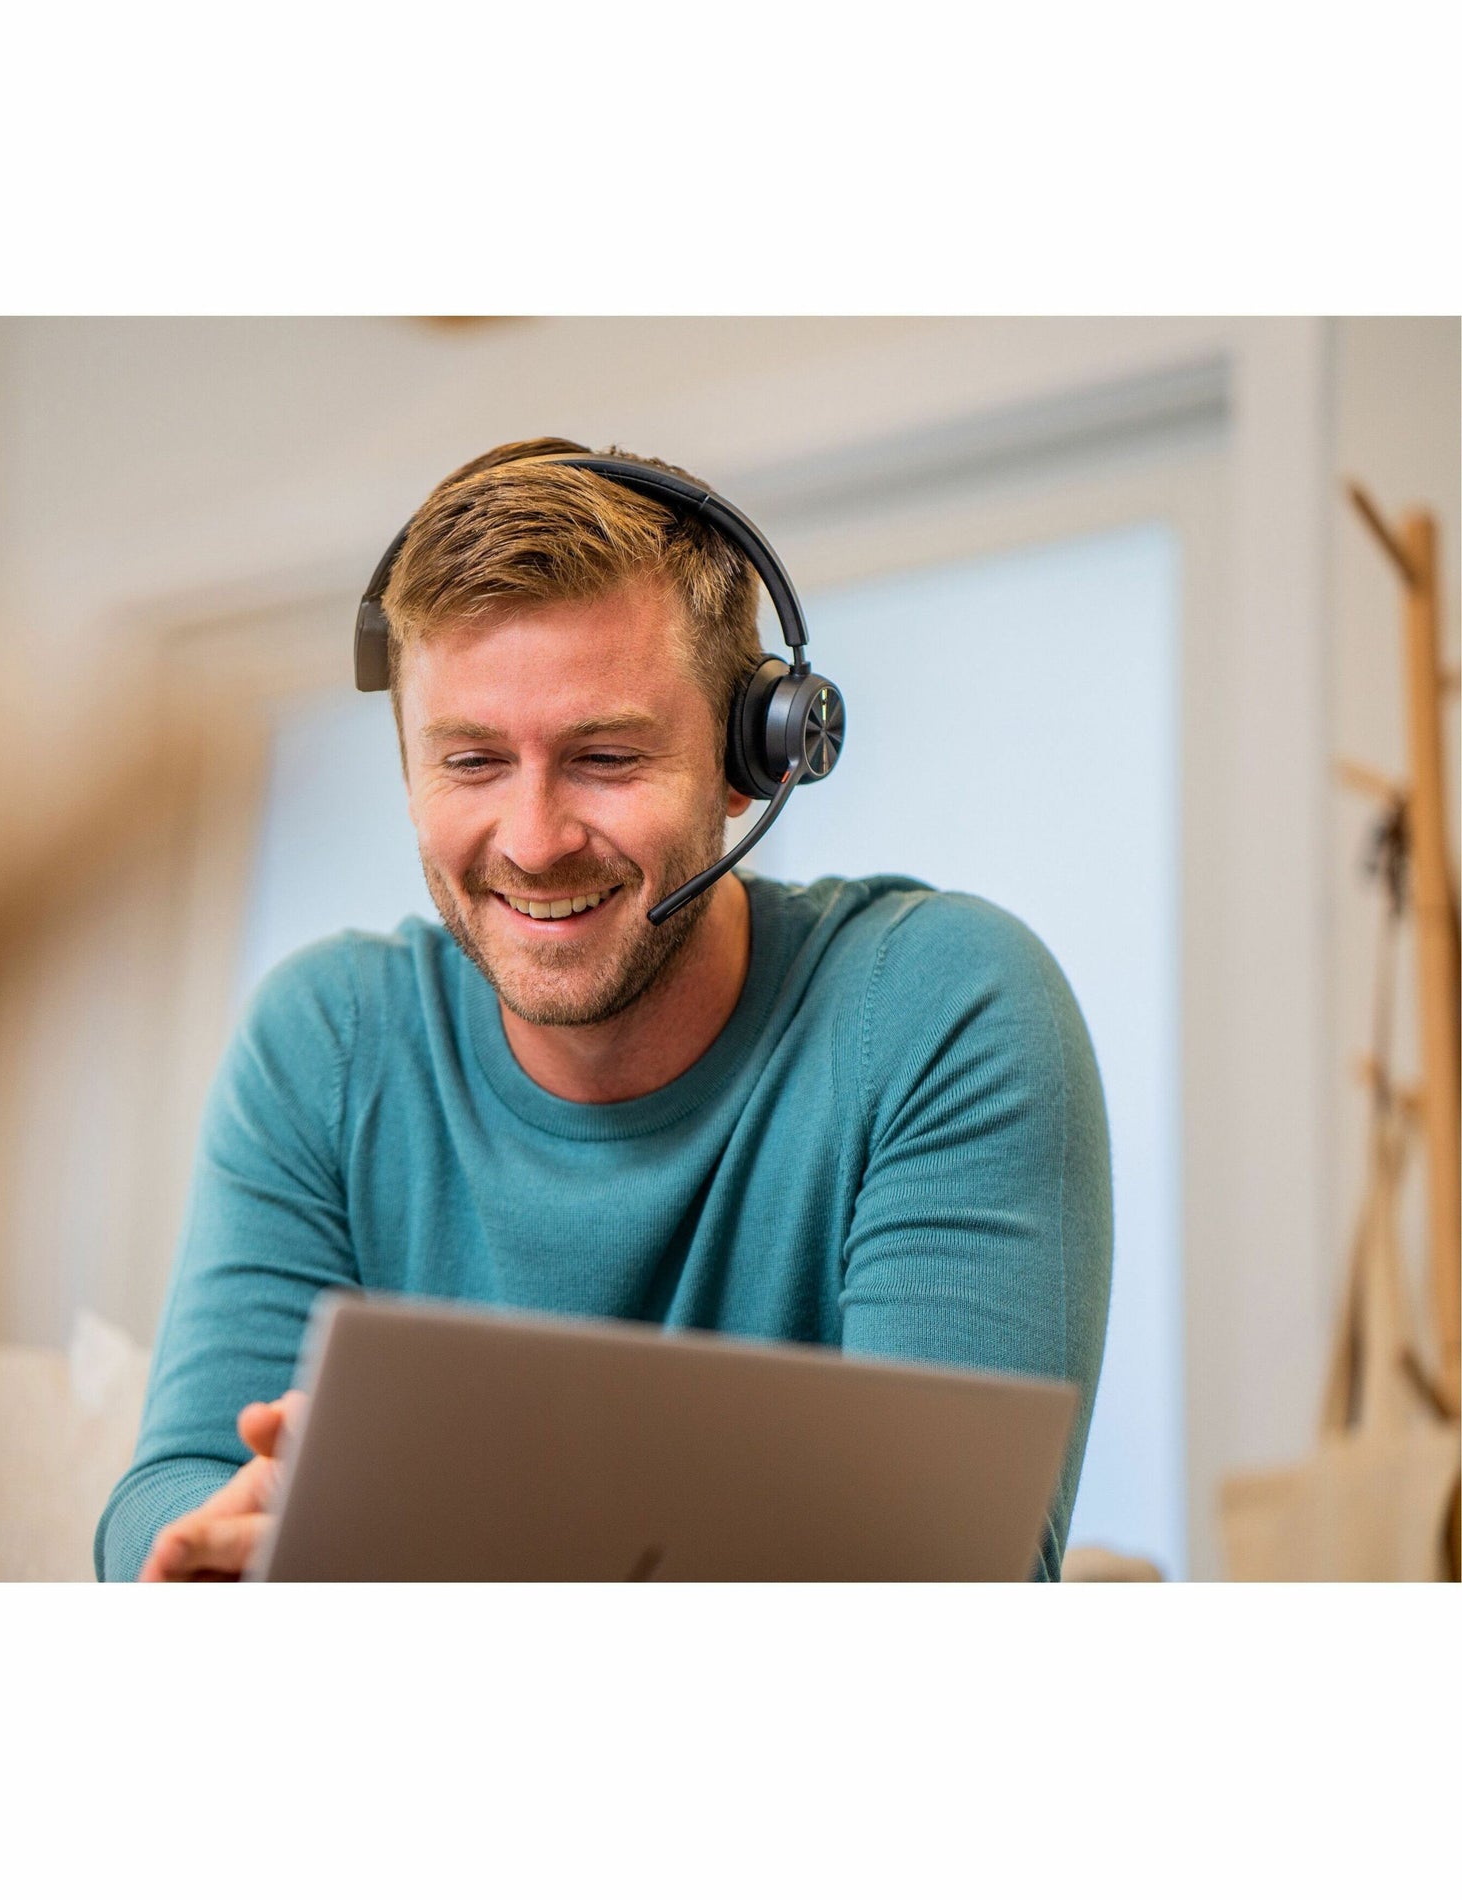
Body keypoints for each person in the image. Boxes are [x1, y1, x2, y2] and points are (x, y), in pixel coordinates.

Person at [96, 438, 1112, 1582]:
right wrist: (221, 1537)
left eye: (606, 756)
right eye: (472, 761)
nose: (531, 843)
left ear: (755, 759)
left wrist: (427, 1545)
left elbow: (948, 1581)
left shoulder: (937, 1012)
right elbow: (172, 1488)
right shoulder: (322, 1042)